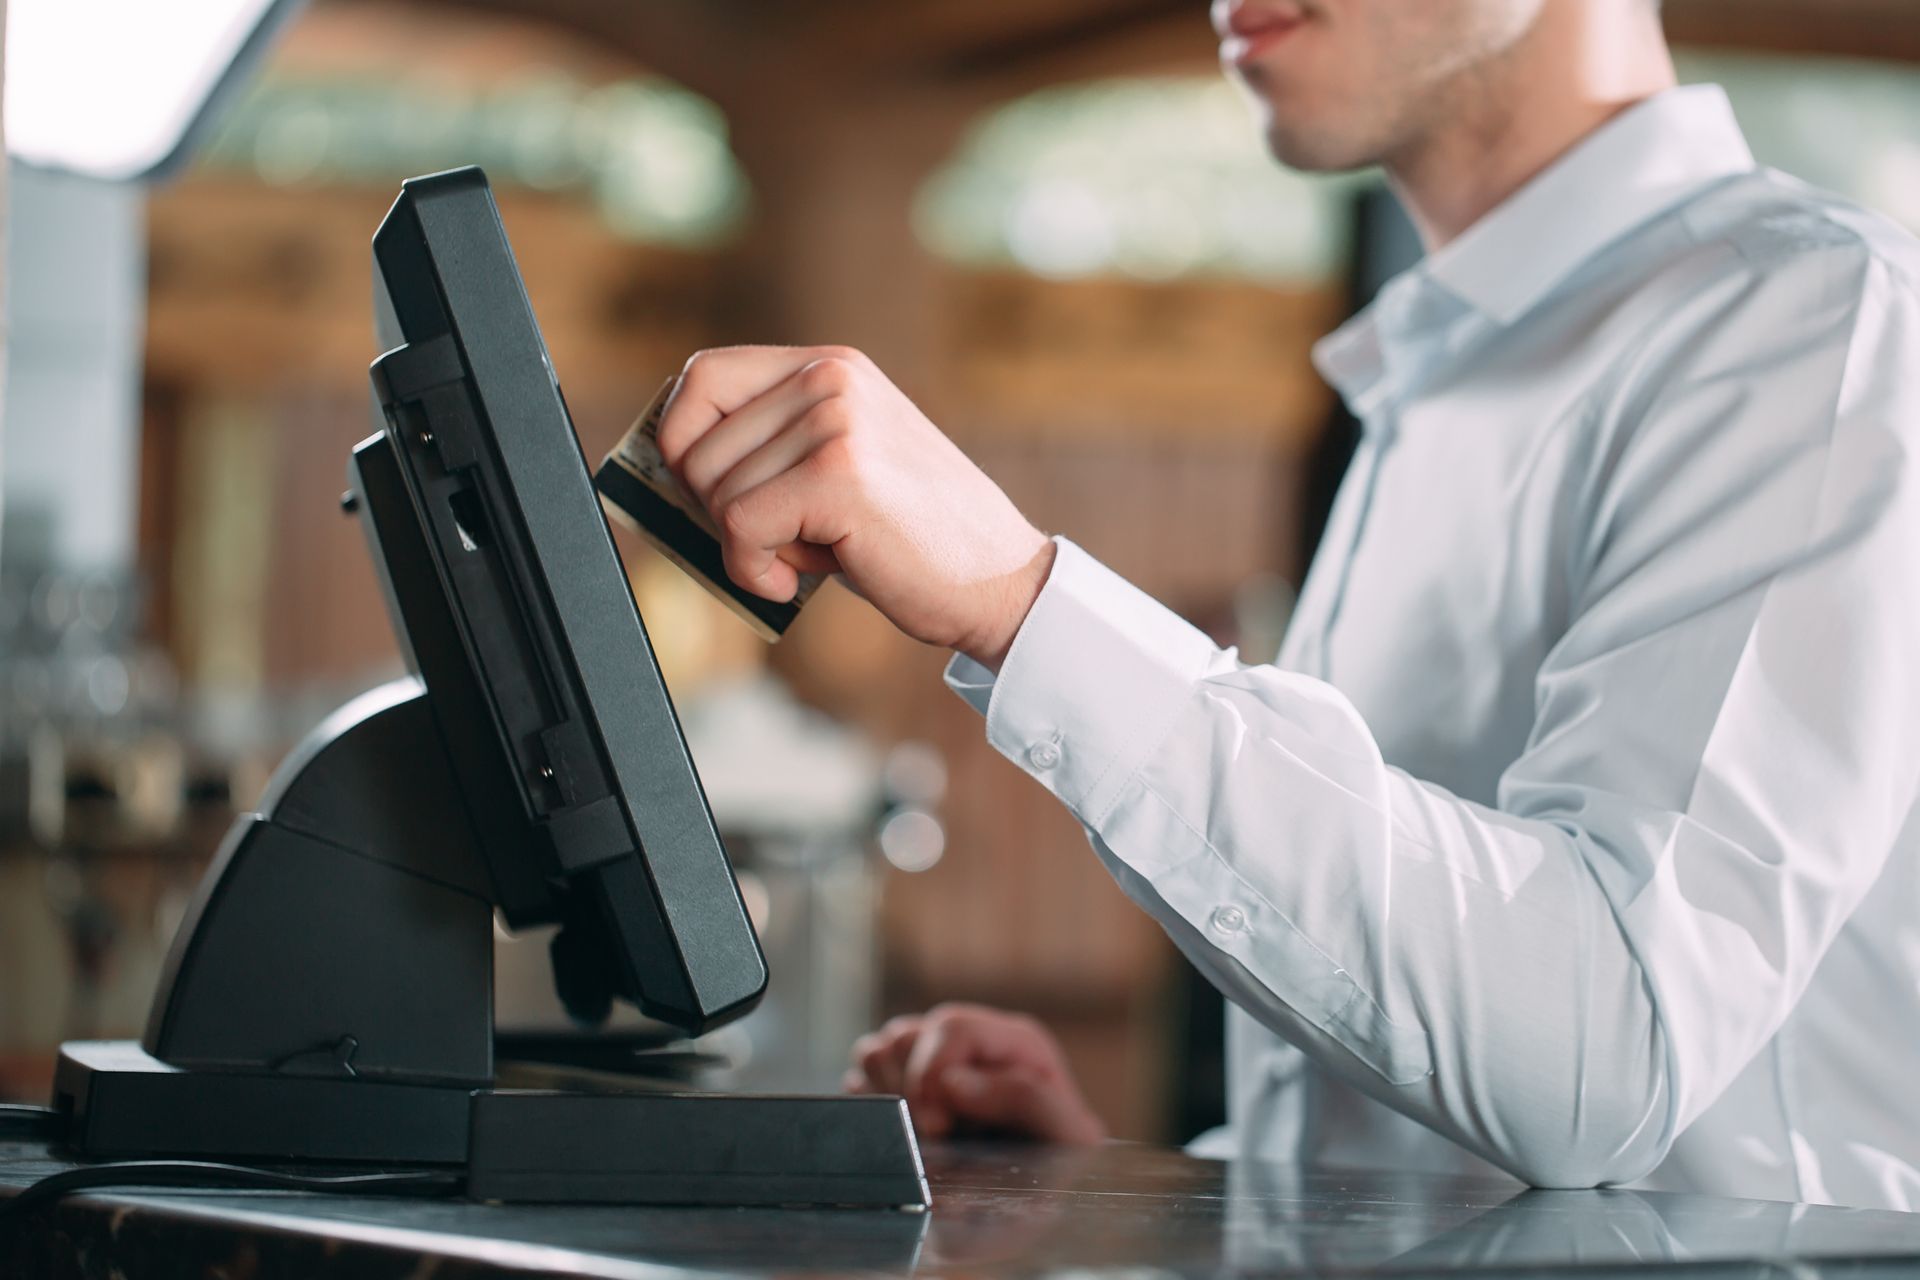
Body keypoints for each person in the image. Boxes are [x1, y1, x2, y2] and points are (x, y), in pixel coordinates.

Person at [653, 0, 1920, 1210]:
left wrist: (1019, 597)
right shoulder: (1448, 374)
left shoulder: (1810, 316)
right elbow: (1477, 1047)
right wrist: (1199, 1169)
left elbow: (1616, 1043)